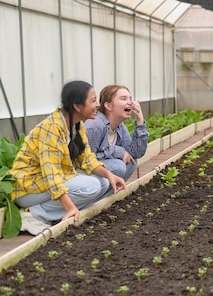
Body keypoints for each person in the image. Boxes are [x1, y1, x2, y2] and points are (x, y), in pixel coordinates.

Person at [10, 80, 127, 235]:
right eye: (93, 101)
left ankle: (58, 212)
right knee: (91, 186)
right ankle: (33, 213)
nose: (97, 105)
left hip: (46, 184)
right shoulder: (51, 129)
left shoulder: (77, 125)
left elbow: (87, 160)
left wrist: (109, 175)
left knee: (105, 183)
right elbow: (51, 175)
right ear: (77, 106)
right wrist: (70, 207)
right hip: (29, 188)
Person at [85, 85, 148, 185]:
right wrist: (117, 151)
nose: (130, 102)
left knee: (131, 162)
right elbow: (86, 158)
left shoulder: (120, 127)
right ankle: (95, 199)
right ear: (108, 106)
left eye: (130, 99)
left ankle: (109, 197)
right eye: (123, 99)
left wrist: (140, 121)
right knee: (118, 166)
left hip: (100, 169)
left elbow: (135, 152)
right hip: (82, 172)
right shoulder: (94, 125)